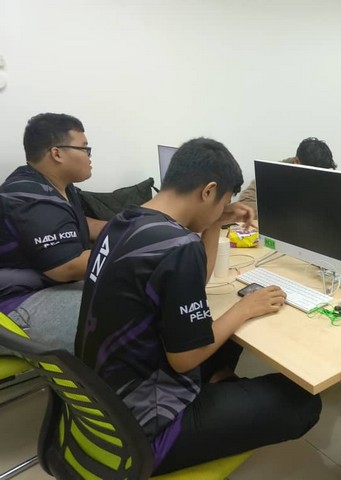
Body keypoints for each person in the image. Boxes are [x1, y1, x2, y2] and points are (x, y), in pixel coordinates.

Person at [75, 137, 321, 474]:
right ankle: (209, 404)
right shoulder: (177, 245)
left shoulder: (123, 222)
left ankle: (219, 386)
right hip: (143, 429)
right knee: (303, 403)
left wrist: (214, 222)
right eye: (223, 201)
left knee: (227, 341)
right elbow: (185, 358)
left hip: (102, 399)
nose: (223, 209)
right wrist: (244, 308)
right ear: (208, 191)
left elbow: (191, 281)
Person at [0, 113, 105, 353]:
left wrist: (125, 227)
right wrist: (136, 247)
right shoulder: (27, 195)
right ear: (57, 153)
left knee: (130, 296)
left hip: (45, 288)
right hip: (14, 303)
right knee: (120, 317)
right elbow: (66, 266)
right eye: (84, 148)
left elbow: (78, 224)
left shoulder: (59, 187)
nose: (89, 155)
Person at [237, 136, 336, 217]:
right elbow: (245, 203)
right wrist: (284, 213)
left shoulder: (328, 174)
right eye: (312, 174)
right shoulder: (274, 172)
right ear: (296, 162)